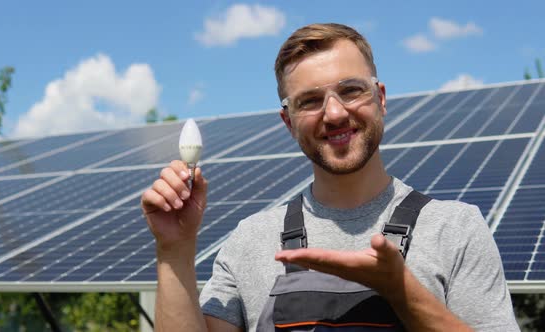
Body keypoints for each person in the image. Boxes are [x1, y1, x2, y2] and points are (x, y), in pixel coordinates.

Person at [141, 23, 519, 331]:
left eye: (351, 90)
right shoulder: (250, 241)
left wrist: (401, 291)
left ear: (380, 99)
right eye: (309, 101)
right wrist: (174, 250)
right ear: (288, 122)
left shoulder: (456, 228)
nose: (335, 113)